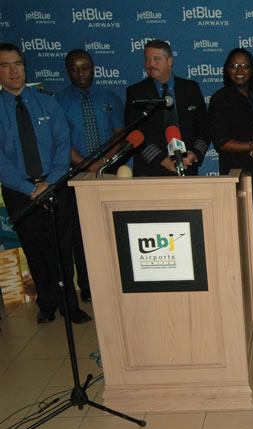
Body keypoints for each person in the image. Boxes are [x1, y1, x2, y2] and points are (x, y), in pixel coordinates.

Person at [0, 43, 90, 324]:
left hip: (54, 186)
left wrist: (50, 183)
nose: (14, 71)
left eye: (18, 64)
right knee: (34, 248)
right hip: (19, 192)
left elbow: (63, 145)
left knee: (62, 248)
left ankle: (69, 305)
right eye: (5, 65)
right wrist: (30, 189)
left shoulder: (47, 101)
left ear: (25, 66)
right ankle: (47, 303)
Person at [58, 48, 125, 304]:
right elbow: (60, 141)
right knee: (81, 233)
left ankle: (115, 280)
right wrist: (86, 165)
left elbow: (120, 133)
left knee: (111, 229)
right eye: (74, 68)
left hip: (109, 171)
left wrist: (103, 162)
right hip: (77, 175)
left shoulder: (109, 97)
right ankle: (87, 285)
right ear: (68, 71)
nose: (81, 73)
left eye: (85, 67)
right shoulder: (60, 102)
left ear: (93, 67)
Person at [208, 48, 253, 286]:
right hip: (237, 169)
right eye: (234, 66)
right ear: (227, 70)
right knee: (240, 221)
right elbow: (222, 142)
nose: (239, 70)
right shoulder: (220, 99)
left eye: (244, 65)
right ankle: (240, 271)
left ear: (252, 70)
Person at [124, 40, 210, 177]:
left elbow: (204, 129)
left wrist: (194, 154)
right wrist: (163, 161)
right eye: (147, 59)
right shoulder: (136, 92)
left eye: (156, 59)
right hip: (150, 172)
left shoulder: (190, 89)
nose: (151, 64)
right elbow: (134, 133)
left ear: (169, 61)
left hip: (187, 171)